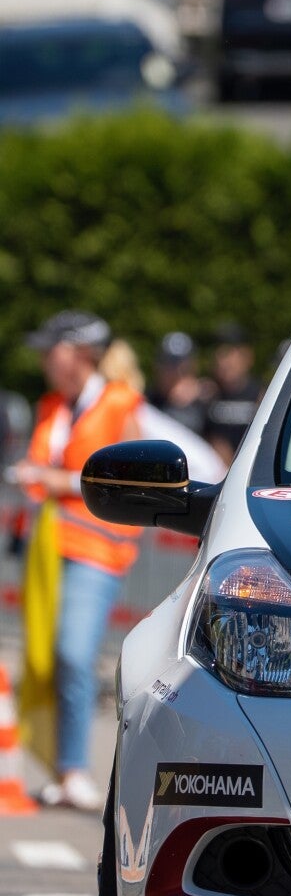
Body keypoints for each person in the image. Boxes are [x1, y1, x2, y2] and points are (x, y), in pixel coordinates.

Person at [6, 312, 146, 811]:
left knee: (73, 653)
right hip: (48, 548)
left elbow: (129, 476)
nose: (44, 358)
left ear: (80, 353)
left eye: (52, 349)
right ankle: (56, 771)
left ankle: (74, 768)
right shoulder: (51, 406)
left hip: (97, 550)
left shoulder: (119, 402)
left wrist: (57, 480)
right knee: (45, 659)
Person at [203, 323, 262, 464]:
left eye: (229, 353)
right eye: (219, 354)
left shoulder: (261, 396)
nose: (223, 361)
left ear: (247, 356)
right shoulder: (206, 395)